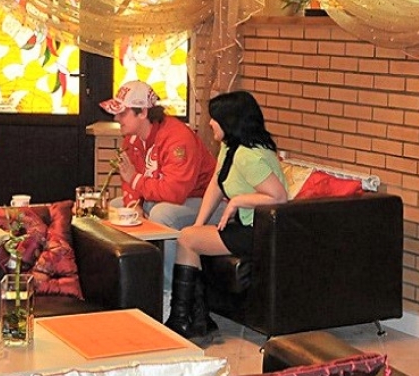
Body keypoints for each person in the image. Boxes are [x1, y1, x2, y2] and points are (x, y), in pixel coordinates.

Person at [165, 91, 288, 340]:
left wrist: (238, 201)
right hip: (244, 226)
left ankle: (186, 320)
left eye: (215, 118)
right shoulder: (230, 147)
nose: (210, 123)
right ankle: (195, 320)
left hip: (261, 232)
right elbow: (216, 183)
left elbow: (279, 197)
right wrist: (199, 224)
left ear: (229, 121)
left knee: (186, 239)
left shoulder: (249, 156)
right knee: (189, 237)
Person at [100, 81, 222, 284]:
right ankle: (132, 283)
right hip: (166, 198)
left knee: (162, 213)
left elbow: (174, 192)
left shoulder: (177, 138)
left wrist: (137, 182)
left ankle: (167, 291)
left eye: (122, 113)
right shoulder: (132, 138)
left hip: (209, 203)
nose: (116, 118)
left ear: (142, 113)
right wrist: (135, 205)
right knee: (118, 207)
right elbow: (130, 181)